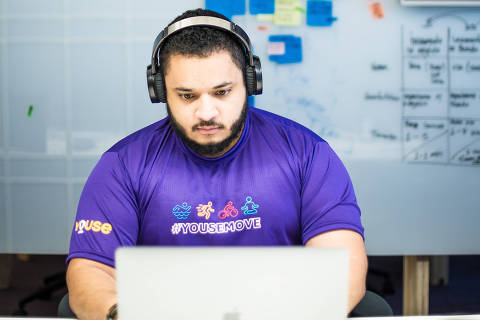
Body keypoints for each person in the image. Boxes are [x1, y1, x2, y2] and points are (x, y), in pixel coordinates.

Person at [66, 8, 368, 320]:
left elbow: (340, 267)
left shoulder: (308, 154)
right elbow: (91, 273)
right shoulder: (122, 166)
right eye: (187, 96)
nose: (207, 112)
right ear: (159, 91)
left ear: (250, 82)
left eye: (222, 92)